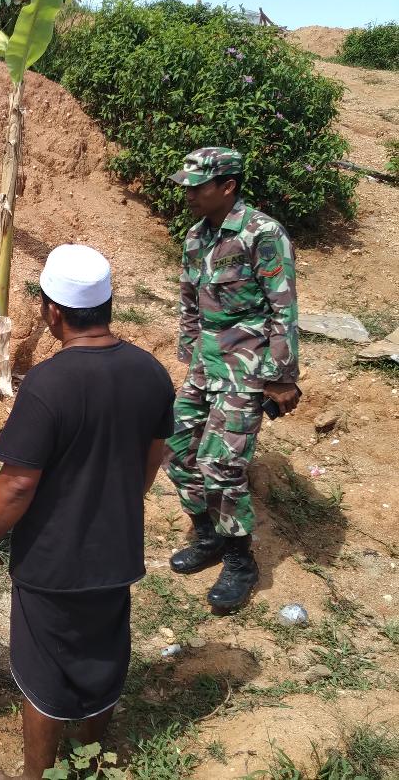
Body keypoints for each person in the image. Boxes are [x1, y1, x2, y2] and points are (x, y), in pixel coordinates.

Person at [0, 244, 174, 779]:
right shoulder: (151, 372)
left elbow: (18, 484)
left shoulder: (48, 384)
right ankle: (90, 762)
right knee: (102, 660)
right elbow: (154, 455)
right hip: (117, 553)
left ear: (53, 311)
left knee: (45, 676)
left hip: (53, 563)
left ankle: (37, 775)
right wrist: (121, 503)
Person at [165, 147, 300, 612]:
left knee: (221, 464)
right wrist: (189, 354)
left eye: (197, 186)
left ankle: (241, 560)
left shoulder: (262, 234)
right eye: (186, 186)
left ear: (228, 186)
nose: (188, 194)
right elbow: (189, 301)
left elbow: (283, 309)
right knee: (175, 447)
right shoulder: (196, 236)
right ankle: (210, 536)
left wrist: (281, 378)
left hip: (248, 369)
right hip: (205, 365)